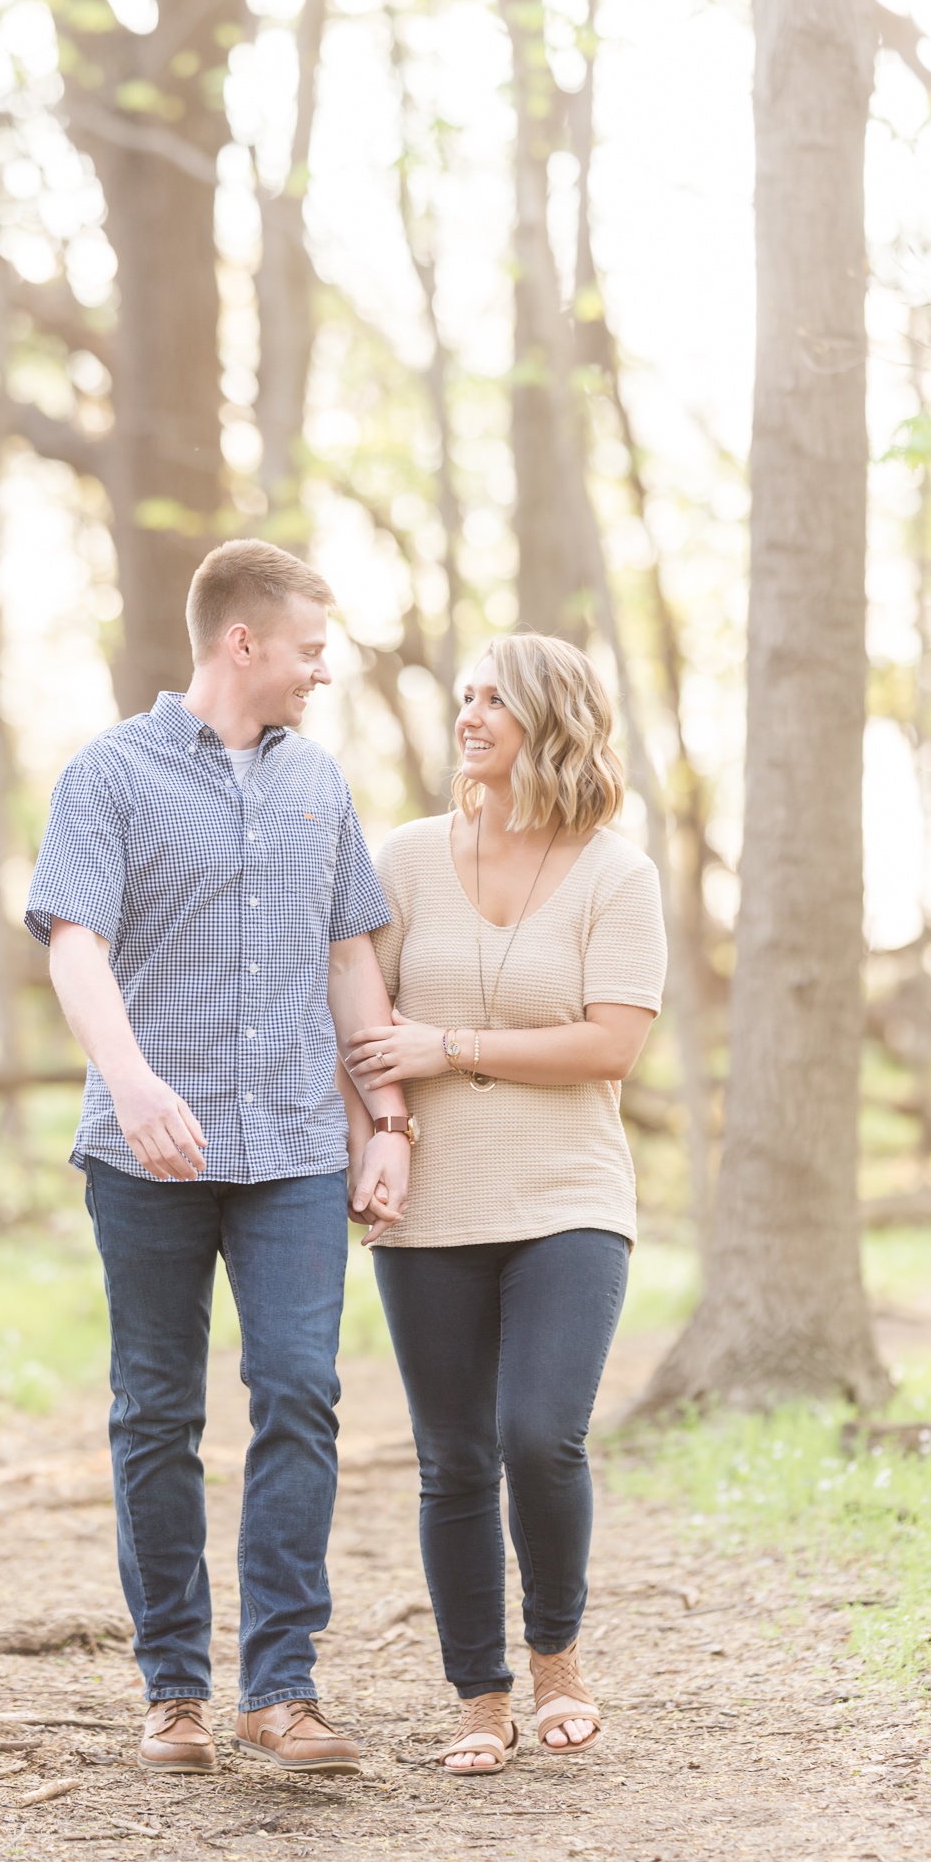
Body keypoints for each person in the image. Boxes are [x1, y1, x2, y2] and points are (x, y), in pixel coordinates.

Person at [25, 540, 417, 1777]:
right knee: (155, 1412)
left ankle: (282, 1690)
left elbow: (350, 955)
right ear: (240, 641)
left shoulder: (320, 783)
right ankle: (174, 1691)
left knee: (300, 1392)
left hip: (294, 1147)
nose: (322, 669)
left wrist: (385, 1122)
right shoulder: (112, 773)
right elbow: (74, 945)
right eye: (308, 647)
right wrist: (131, 1081)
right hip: (148, 1155)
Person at [341, 632, 666, 1776]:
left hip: (567, 1194)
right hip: (429, 1202)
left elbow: (609, 1044)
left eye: (494, 700)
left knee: (540, 1432)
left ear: (553, 719)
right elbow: (356, 1011)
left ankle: (558, 1659)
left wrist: (452, 1044)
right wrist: (375, 1133)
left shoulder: (613, 872)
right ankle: (477, 1693)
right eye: (464, 696)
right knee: (453, 1456)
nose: (468, 715)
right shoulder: (406, 857)